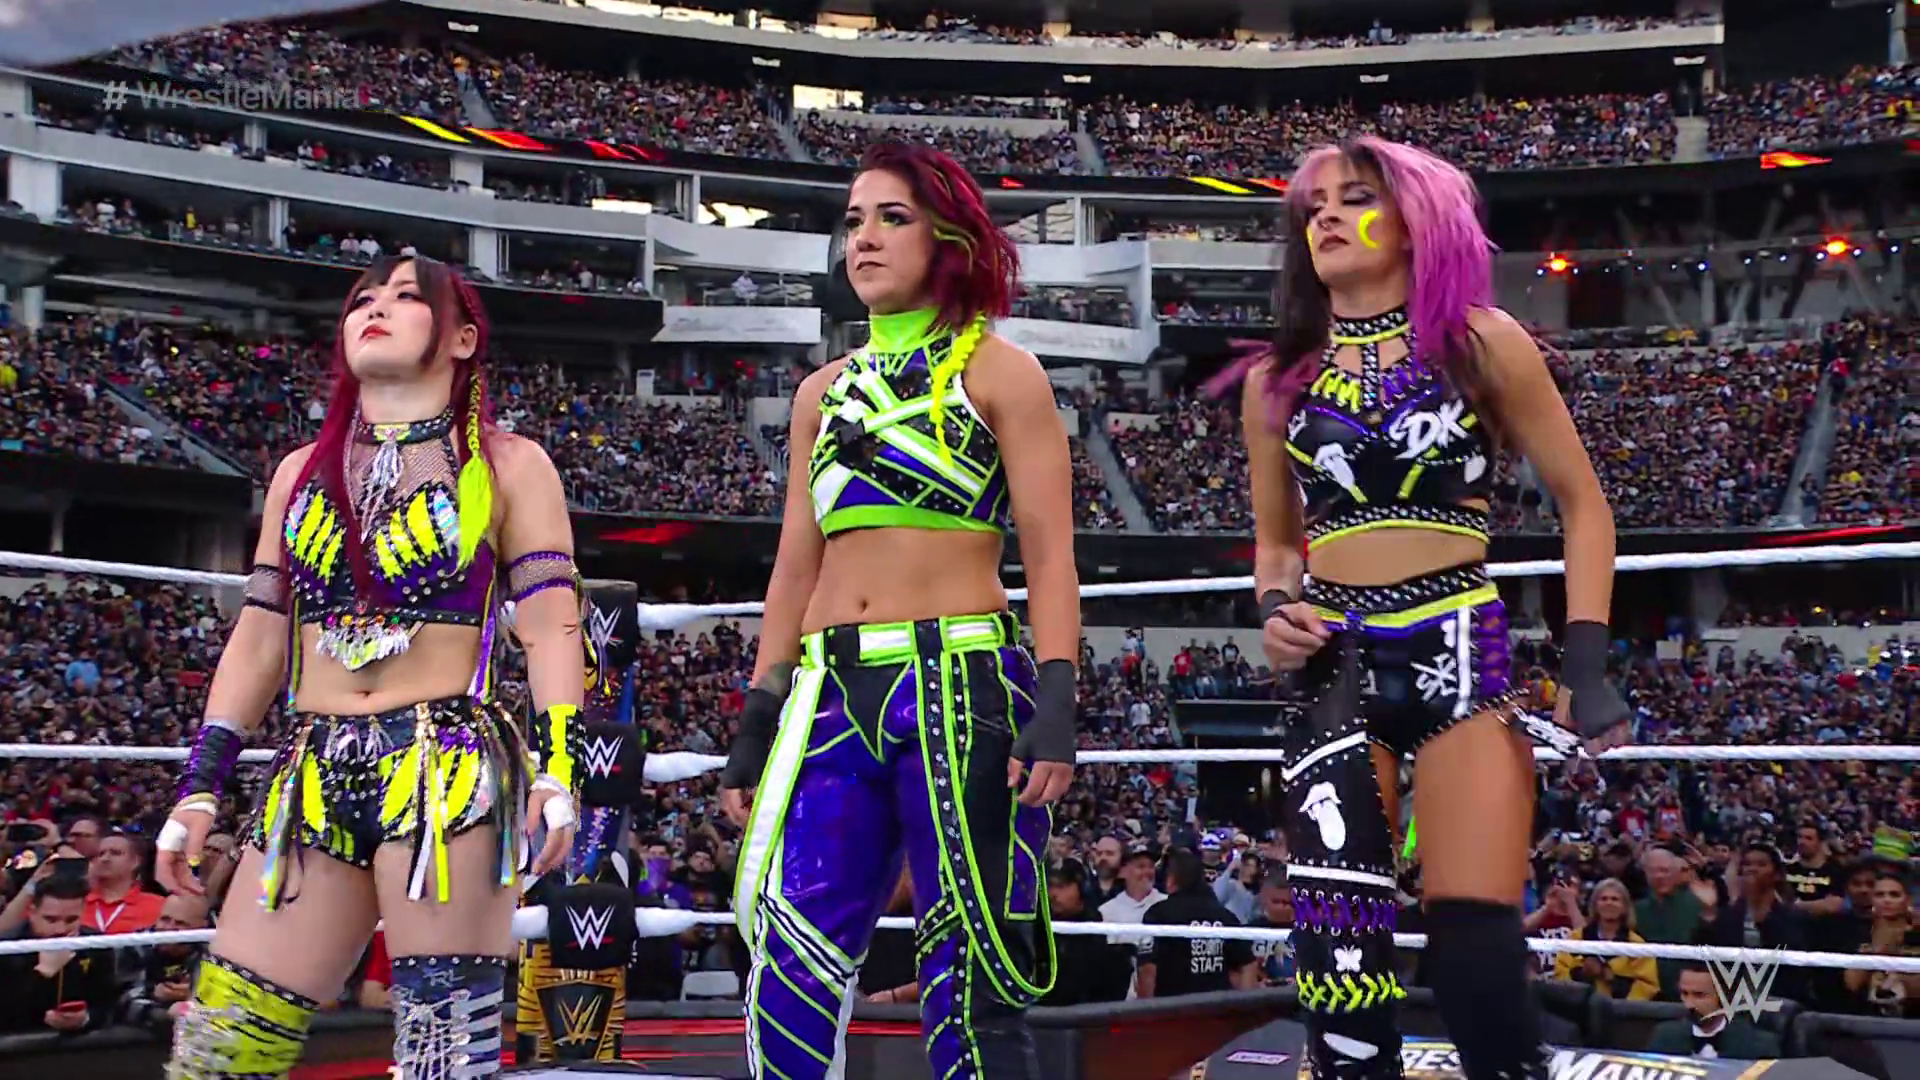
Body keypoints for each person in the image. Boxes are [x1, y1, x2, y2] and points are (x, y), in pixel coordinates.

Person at [1227, 136, 1629, 1080]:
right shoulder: (1275, 380)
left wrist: (1586, 663)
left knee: (1476, 943)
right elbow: (1277, 543)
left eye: (1355, 197)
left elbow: (1584, 505)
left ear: (1413, 221)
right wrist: (1276, 605)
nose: (1327, 216)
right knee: (1338, 950)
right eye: (1315, 205)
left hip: (1459, 645)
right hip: (1333, 660)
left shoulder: (1482, 342)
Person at [154, 255, 585, 1080]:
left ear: (462, 338)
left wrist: (559, 768)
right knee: (218, 1050)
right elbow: (260, 635)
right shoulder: (300, 472)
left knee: (440, 1056)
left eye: (406, 296)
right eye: (363, 299)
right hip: (312, 773)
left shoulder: (509, 464)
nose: (375, 308)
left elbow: (551, 626)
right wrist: (200, 785)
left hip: (445, 775)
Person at [721, 140, 1080, 1080]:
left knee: (973, 961)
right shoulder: (819, 393)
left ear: (949, 238)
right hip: (830, 693)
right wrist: (760, 711)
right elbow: (793, 567)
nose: (865, 238)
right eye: (853, 221)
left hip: (958, 683)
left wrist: (1056, 698)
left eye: (892, 217)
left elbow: (1050, 555)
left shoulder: (1003, 373)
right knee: (791, 955)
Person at [0, 874, 120, 1034]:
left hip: (81, 1044)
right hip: (19, 1042)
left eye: (71, 920)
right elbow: (6, 1015)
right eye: (51, 920)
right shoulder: (7, 948)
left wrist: (85, 1018)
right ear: (32, 912)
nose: (60, 929)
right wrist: (42, 973)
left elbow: (109, 1004)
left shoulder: (95, 945)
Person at [1135, 848, 1259, 999]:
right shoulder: (1225, 916)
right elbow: (1248, 965)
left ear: (1171, 879)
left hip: (1173, 1008)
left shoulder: (1158, 914)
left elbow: (1147, 971)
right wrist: (1243, 1006)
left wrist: (1148, 1010)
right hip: (1217, 1007)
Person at [1551, 878, 1658, 1000]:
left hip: (1620, 1008)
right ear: (1595, 905)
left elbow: (1647, 986)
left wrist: (1612, 979)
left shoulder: (1636, 944)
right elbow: (1560, 974)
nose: (1609, 903)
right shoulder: (1576, 939)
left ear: (1625, 907)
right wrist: (1581, 973)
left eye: (1615, 899)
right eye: (1603, 899)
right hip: (1581, 1007)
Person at [1644, 963, 1782, 1058]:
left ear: (1724, 997)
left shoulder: (1759, 1045)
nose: (1689, 1004)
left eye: (1699, 995)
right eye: (1684, 994)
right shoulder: (1663, 1037)